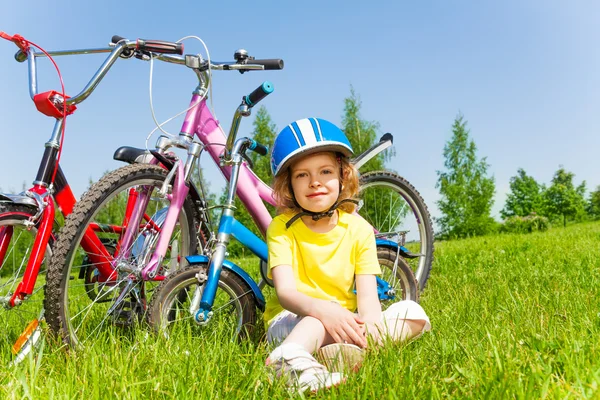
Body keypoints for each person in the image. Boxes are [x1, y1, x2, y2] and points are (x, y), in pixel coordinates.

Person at [264, 118, 431, 393]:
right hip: (294, 320)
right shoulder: (282, 227)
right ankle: (287, 361)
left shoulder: (359, 229)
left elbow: (368, 301)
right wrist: (325, 311)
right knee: (316, 322)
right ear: (289, 185)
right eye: (302, 175)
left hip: (345, 319)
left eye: (325, 171)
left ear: (343, 177)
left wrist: (369, 329)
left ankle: (342, 351)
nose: (314, 182)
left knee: (414, 313)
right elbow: (286, 293)